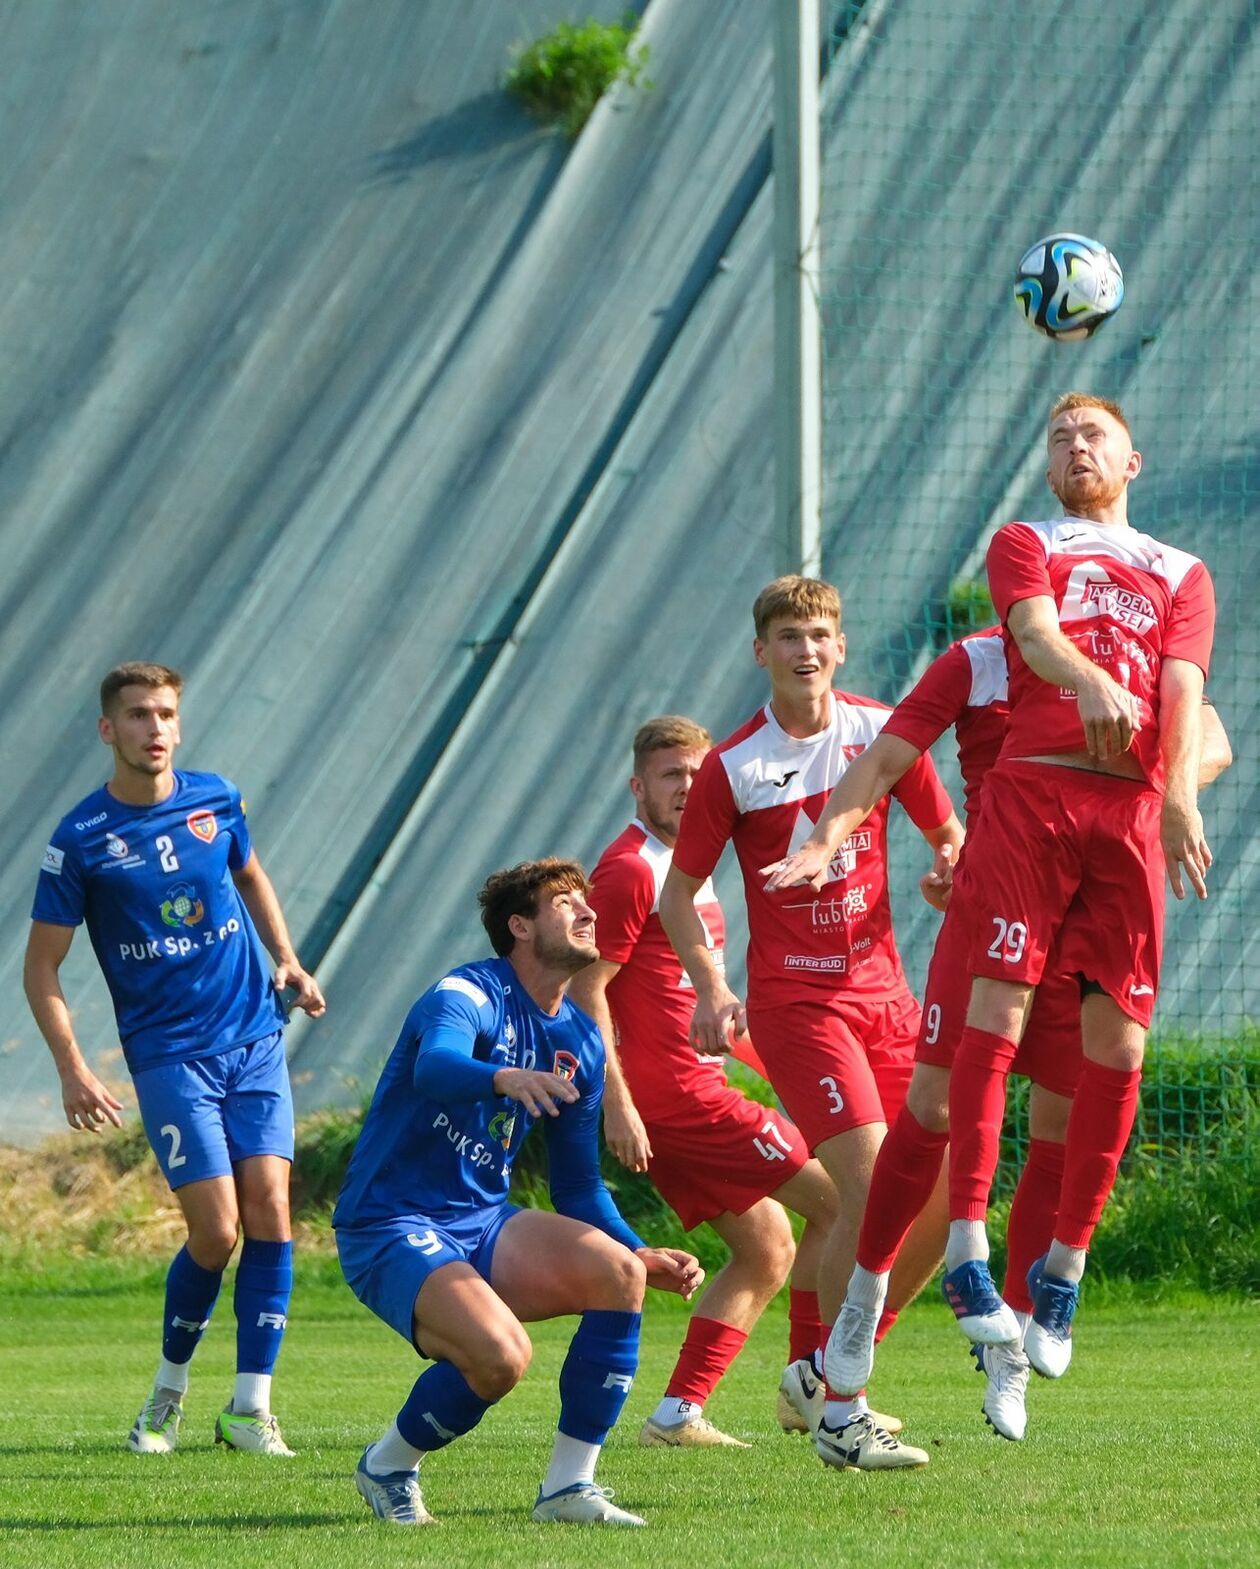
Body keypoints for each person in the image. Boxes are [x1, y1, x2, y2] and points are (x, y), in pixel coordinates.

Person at [764, 628, 1231, 1439]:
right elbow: (884, 758)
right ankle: (863, 1301)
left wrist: (1160, 787)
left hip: (1087, 911)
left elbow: (1211, 734)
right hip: (997, 905)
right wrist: (827, 840)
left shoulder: (1125, 653)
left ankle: (1012, 1338)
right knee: (934, 1107)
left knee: (1059, 1113)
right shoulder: (977, 659)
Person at [659, 576, 964, 1472]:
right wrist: (713, 989)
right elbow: (680, 895)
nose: (806, 649)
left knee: (945, 1203)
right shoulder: (734, 765)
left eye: (820, 633)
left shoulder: (881, 732)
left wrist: (952, 872)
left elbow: (948, 838)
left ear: (841, 646)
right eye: (788, 634)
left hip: (889, 1000)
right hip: (798, 1004)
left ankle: (833, 1366)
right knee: (870, 1186)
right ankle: (843, 1412)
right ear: (762, 651)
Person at [939, 392, 1216, 1378]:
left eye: (1090, 433)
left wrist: (1179, 795)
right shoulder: (1026, 538)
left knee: (1123, 1045)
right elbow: (1036, 633)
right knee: (999, 1012)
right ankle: (967, 1245)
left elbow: (1183, 690)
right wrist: (1090, 682)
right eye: (1057, 436)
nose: (1072, 445)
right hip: (1037, 795)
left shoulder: (1181, 572)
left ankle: (1063, 1268)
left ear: (1133, 460)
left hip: (1129, 812)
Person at [333, 858, 703, 1528]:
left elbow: (579, 1187)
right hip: (391, 1218)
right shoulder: (468, 993)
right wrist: (500, 1076)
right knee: (501, 1357)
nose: (587, 911)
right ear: (520, 926)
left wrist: (641, 1248)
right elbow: (437, 1065)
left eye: (586, 901)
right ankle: (388, 1464)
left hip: (482, 1218)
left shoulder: (581, 1039)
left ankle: (568, 1489)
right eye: (565, 902)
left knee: (619, 1274)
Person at [25, 662, 325, 1456]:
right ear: (107, 730)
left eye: (164, 714)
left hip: (254, 1037)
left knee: (270, 1211)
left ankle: (250, 1408)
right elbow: (40, 968)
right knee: (217, 1229)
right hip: (168, 1056)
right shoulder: (80, 839)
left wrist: (287, 958)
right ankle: (166, 1395)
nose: (154, 728)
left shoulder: (216, 798)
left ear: (178, 726)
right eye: (136, 715)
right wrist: (71, 1067)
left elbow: (251, 876)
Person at [569, 715, 841, 1450]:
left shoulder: (688, 863)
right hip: (676, 1099)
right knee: (845, 1200)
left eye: (697, 774)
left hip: (691, 1088)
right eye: (670, 776)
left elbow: (695, 999)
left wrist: (777, 1064)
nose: (687, 789)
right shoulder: (631, 868)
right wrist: (616, 1104)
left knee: (767, 1246)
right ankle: (815, 1386)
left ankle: (678, 1413)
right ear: (638, 785)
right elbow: (587, 990)